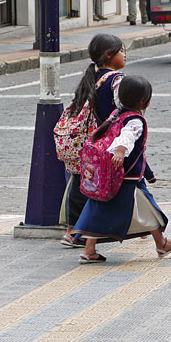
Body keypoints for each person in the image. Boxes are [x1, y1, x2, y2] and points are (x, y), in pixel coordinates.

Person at [73, 75, 171, 263]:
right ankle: (162, 244)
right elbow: (128, 137)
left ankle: (89, 249)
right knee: (150, 210)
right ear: (144, 101)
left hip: (110, 176)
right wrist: (121, 150)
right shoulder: (135, 121)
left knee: (99, 208)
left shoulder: (116, 115)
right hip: (129, 177)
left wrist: (149, 174)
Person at [60, 34, 126, 247]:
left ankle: (72, 231)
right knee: (103, 186)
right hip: (105, 143)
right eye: (121, 51)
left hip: (87, 143)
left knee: (81, 182)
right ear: (109, 55)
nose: (124, 55)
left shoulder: (92, 78)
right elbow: (123, 108)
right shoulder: (116, 79)